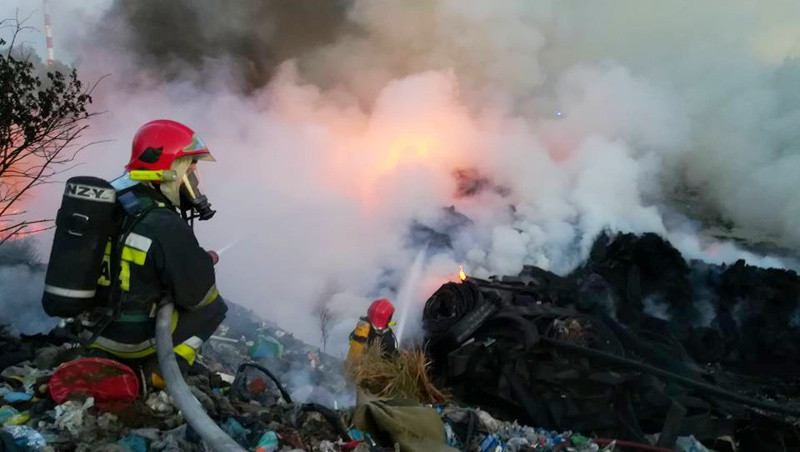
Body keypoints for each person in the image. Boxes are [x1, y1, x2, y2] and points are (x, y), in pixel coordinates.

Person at [81, 119, 228, 387]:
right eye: (189, 171)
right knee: (214, 306)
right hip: (131, 341)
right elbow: (196, 296)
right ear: (170, 170)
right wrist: (201, 264)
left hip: (90, 331)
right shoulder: (162, 222)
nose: (193, 182)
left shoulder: (108, 200)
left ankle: (100, 357)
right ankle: (159, 372)